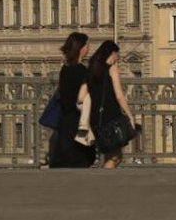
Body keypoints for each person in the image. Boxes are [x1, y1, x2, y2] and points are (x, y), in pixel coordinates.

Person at [81, 40, 136, 169]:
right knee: (115, 156)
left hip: (96, 116)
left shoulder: (92, 69)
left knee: (111, 154)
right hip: (111, 116)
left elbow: (83, 95)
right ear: (112, 53)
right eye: (117, 54)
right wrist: (130, 115)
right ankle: (102, 181)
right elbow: (119, 96)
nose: (118, 58)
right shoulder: (112, 69)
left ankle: (104, 178)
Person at [48, 32, 96, 168]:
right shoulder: (82, 71)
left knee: (65, 158)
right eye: (86, 45)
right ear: (80, 48)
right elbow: (82, 96)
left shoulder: (65, 68)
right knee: (80, 158)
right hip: (78, 119)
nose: (88, 48)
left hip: (65, 119)